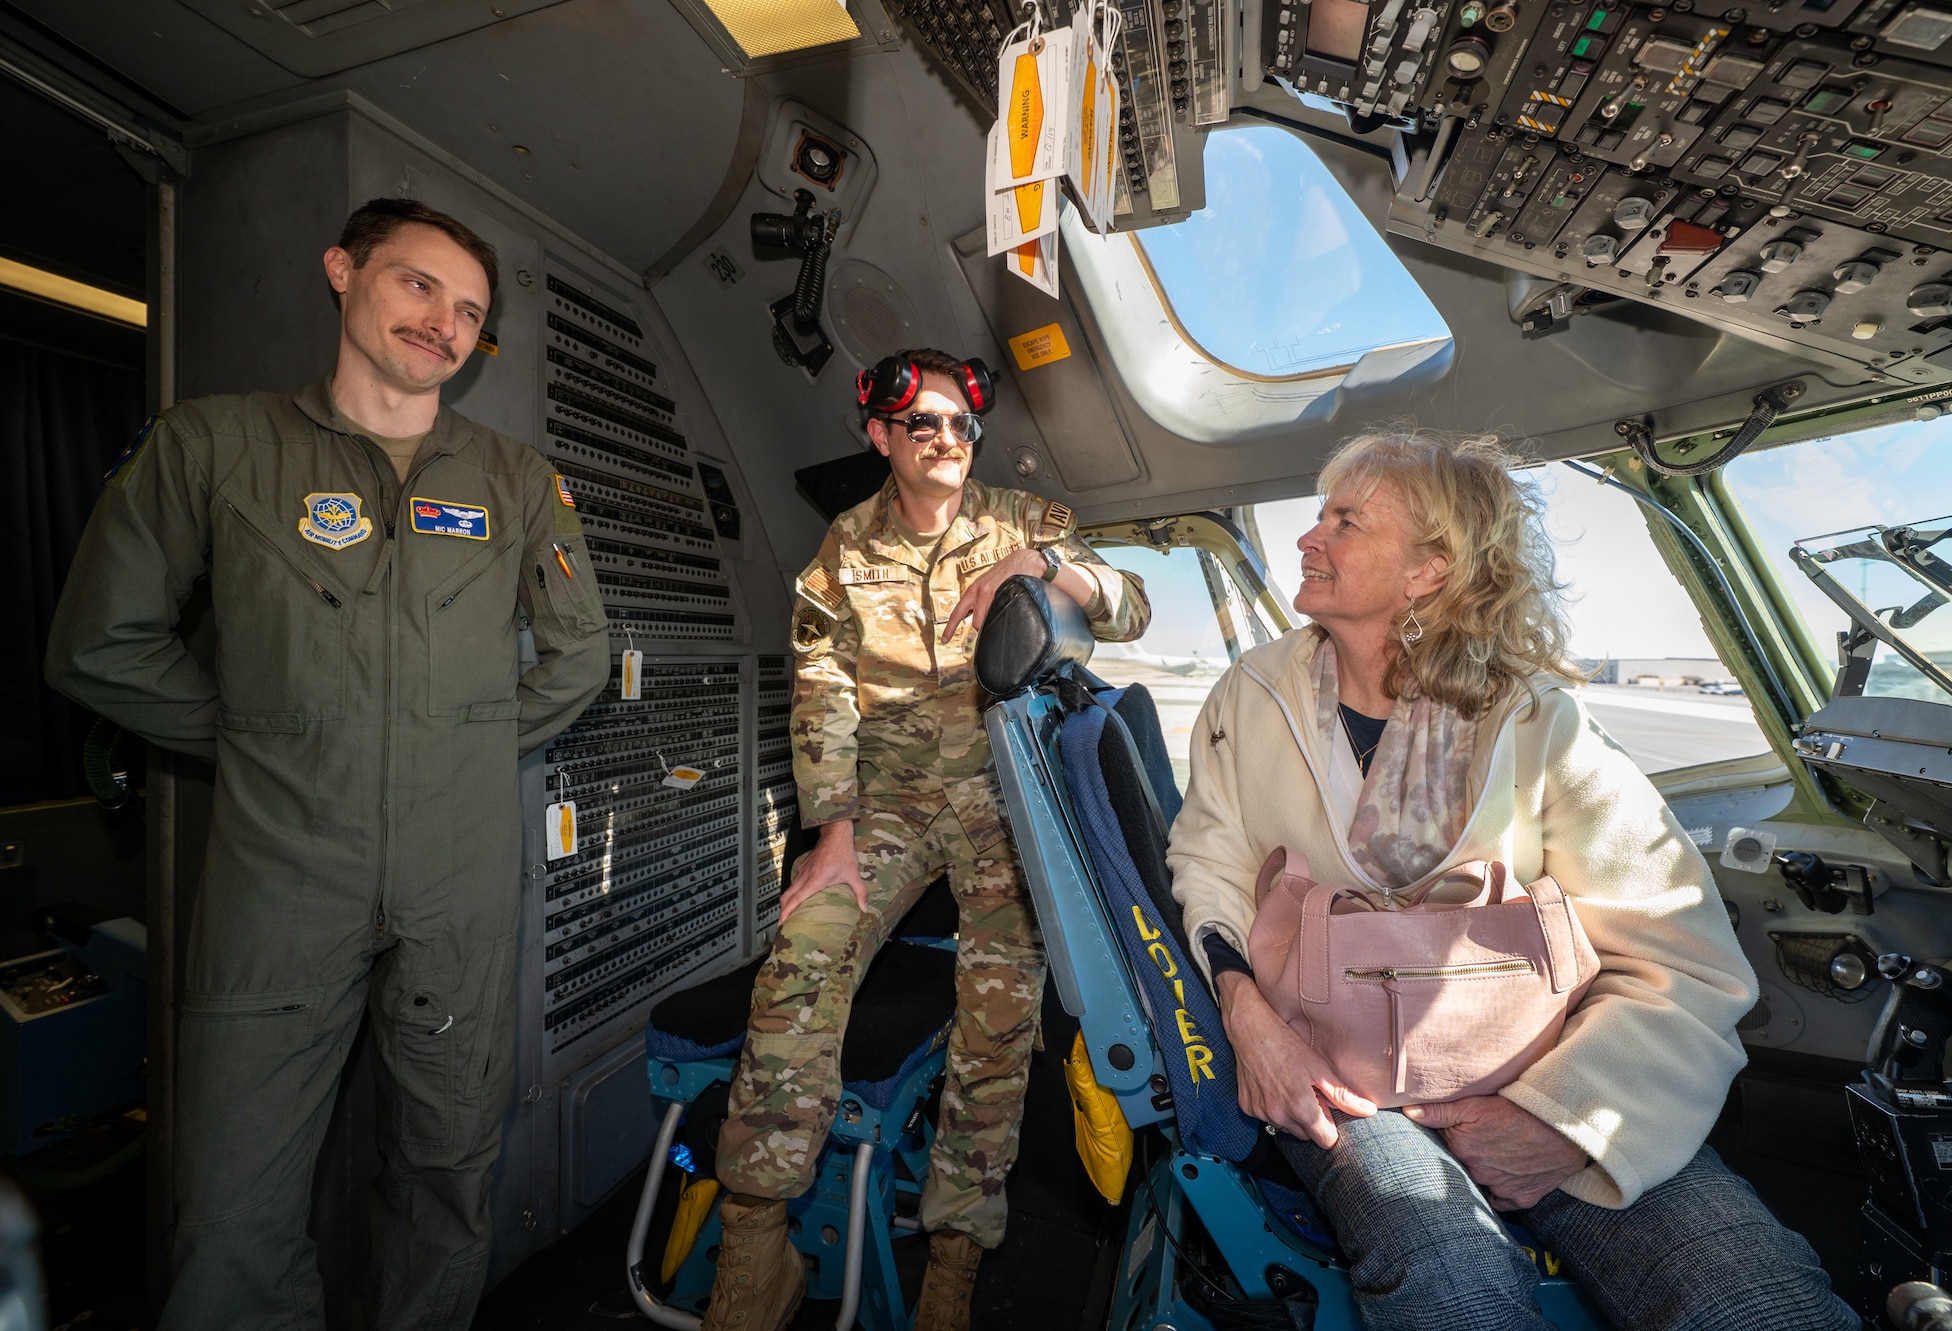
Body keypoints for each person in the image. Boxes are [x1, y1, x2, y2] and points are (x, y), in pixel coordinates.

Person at [45, 198, 610, 1330]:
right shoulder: (214, 445)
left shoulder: (512, 477)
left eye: (469, 313)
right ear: (342, 271)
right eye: (417, 285)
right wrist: (274, 732)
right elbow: (99, 644)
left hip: (456, 876)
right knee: (229, 1200)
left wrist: (444, 743)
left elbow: (578, 656)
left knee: (448, 1172)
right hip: (282, 874)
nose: (442, 324)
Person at [1166, 432, 1858, 1331]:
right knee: (1453, 1288)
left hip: (1547, 1066)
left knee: (1754, 1297)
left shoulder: (1537, 720)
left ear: (1428, 570)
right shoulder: (1249, 696)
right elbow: (1210, 863)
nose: (1309, 537)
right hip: (1345, 1082)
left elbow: (1682, 962)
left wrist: (1565, 1120)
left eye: (1345, 521)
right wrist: (1249, 1015)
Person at [701, 348, 1150, 1331]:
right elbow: (819, 690)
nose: (948, 440)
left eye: (960, 425)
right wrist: (831, 834)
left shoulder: (1020, 520)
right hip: (889, 800)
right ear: (880, 437)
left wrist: (1042, 564)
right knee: (803, 951)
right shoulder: (843, 549)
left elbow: (1127, 603)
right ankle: (753, 1236)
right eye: (925, 425)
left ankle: (955, 1254)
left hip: (1006, 797)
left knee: (994, 1027)